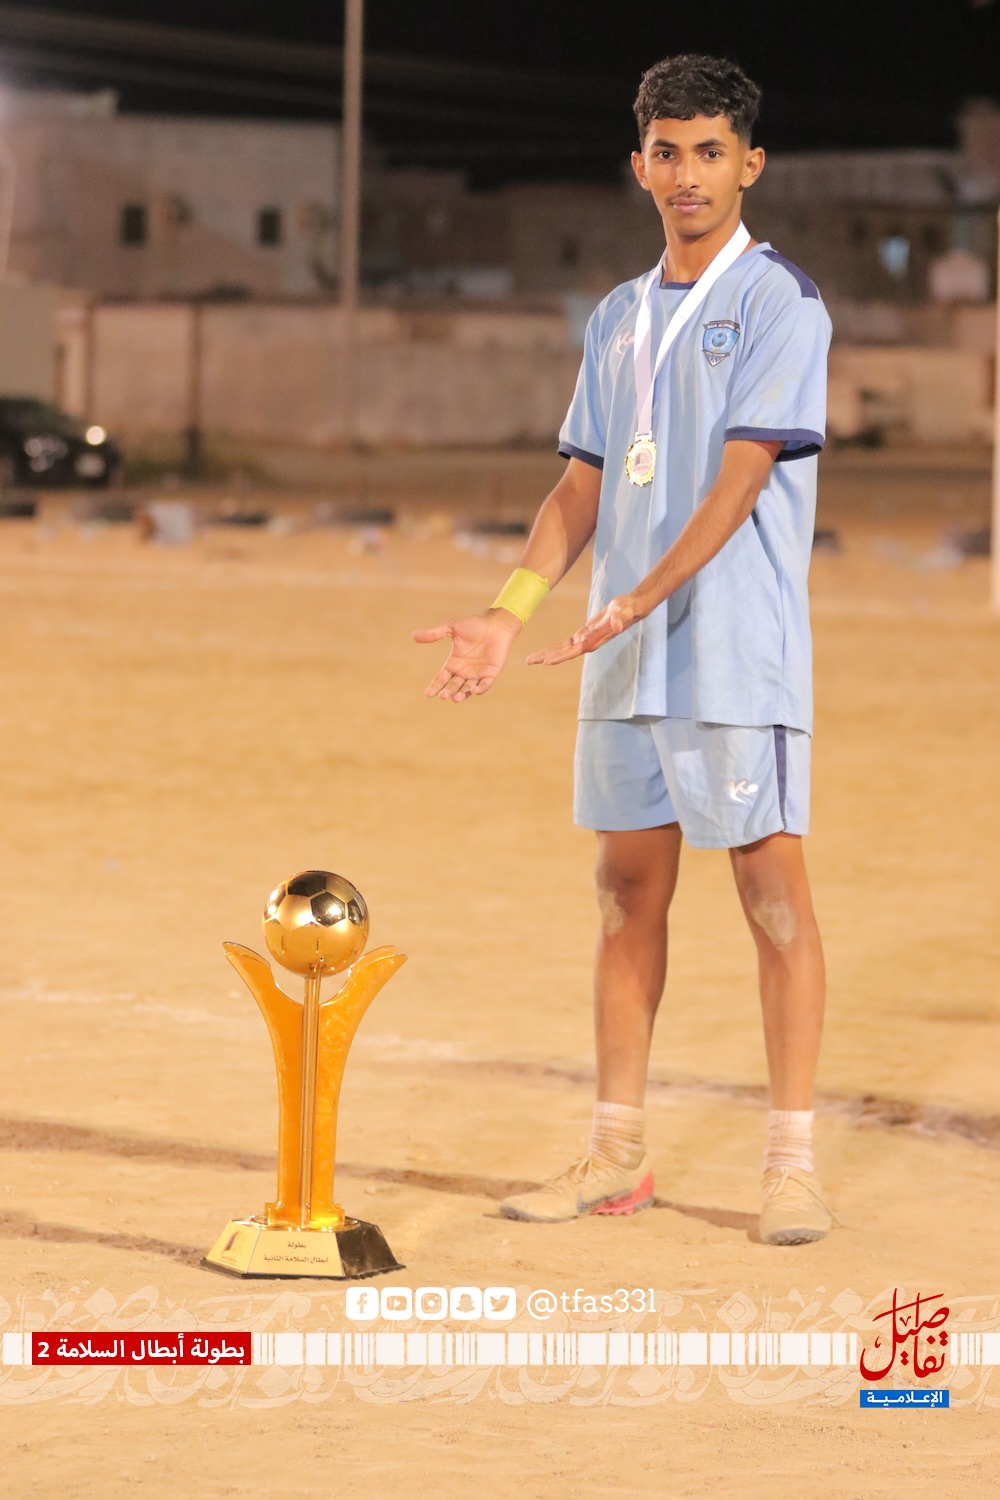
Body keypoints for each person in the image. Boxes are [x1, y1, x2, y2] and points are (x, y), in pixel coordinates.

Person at [414, 53, 833, 1245]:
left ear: (749, 165)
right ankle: (614, 1155)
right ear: (637, 164)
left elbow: (740, 481)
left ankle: (790, 1166)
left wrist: (637, 599)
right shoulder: (614, 316)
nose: (686, 173)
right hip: (621, 653)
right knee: (623, 896)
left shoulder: (781, 303)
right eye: (666, 151)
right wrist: (509, 611)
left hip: (731, 651)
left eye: (709, 152)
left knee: (772, 900)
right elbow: (581, 486)